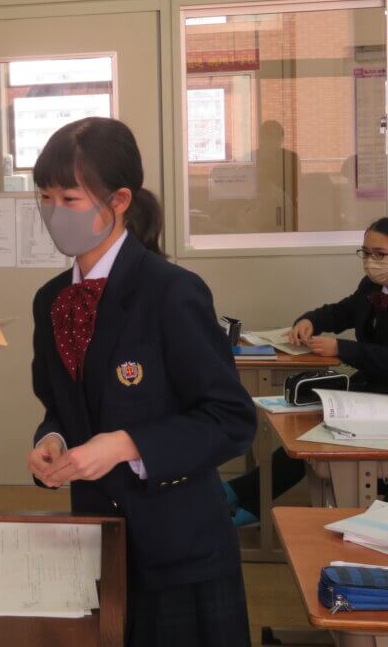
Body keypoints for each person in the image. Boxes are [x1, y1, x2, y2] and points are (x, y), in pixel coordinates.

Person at [26, 117, 256, 646]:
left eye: (69, 199)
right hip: (96, 537)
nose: (54, 213)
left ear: (120, 200)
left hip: (179, 549)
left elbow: (230, 420)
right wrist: (51, 439)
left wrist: (125, 444)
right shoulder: (51, 300)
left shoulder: (171, 291)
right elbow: (58, 404)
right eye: (44, 198)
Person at [224, 217, 388, 527]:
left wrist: (342, 349)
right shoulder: (371, 286)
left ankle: (241, 496)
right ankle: (244, 497)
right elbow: (341, 311)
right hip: (367, 393)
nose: (370, 261)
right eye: (365, 252)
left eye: (379, 254)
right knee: (303, 426)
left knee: (316, 437)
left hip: (381, 403)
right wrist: (309, 320)